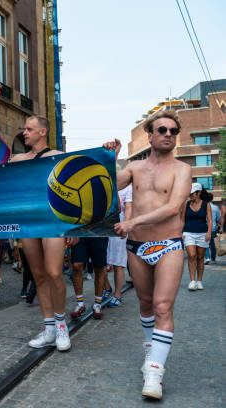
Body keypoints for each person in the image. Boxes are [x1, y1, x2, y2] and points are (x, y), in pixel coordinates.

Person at [104, 109, 191, 400]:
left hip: (168, 245)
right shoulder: (134, 168)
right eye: (162, 130)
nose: (168, 134)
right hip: (137, 247)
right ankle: (150, 353)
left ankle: (155, 372)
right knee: (144, 303)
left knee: (163, 306)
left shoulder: (182, 170)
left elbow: (172, 207)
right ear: (150, 135)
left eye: (173, 131)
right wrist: (110, 158)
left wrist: (132, 222)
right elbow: (107, 186)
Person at [0, 115, 75, 352]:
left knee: (54, 272)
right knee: (39, 275)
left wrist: (74, 227)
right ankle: (49, 328)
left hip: (53, 221)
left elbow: (73, 189)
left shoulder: (57, 156)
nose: (24, 132)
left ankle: (62, 324)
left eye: (29, 129)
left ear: (42, 132)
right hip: (28, 223)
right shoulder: (19, 158)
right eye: (24, 128)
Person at [104, 184, 133, 307]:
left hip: (118, 226)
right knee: (99, 262)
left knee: (117, 264)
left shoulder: (128, 188)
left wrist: (125, 226)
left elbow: (127, 208)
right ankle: (107, 287)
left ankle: (117, 295)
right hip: (102, 226)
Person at [69, 238, 109, 320]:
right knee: (76, 265)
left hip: (98, 232)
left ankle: (97, 304)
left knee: (99, 268)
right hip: (79, 231)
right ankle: (80, 304)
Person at [182, 183, 212, 291]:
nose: (190, 196)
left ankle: (199, 281)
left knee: (200, 258)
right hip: (188, 233)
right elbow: (182, 219)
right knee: (192, 255)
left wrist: (209, 232)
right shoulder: (186, 204)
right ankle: (192, 281)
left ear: (198, 193)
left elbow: (209, 219)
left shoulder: (206, 204)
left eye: (192, 194)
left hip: (202, 234)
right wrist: (181, 232)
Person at [204, 193, 219, 264]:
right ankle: (213, 259)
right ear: (212, 199)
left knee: (205, 243)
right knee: (212, 244)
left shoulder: (203, 206)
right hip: (213, 227)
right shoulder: (216, 207)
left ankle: (207, 258)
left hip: (205, 227)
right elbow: (218, 218)